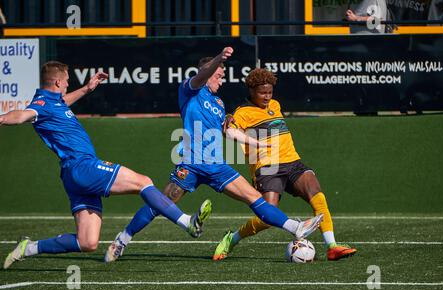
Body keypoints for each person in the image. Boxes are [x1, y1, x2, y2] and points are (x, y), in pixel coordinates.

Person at [104, 48, 324, 263]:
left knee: (255, 199)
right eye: (219, 75)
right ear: (208, 73)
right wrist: (219, 58)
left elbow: (229, 132)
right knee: (159, 204)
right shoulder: (190, 90)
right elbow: (201, 76)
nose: (222, 80)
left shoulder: (219, 104)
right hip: (191, 164)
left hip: (218, 166)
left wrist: (256, 142)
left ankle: (295, 227)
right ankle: (121, 240)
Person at [1, 61, 212, 269]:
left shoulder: (53, 102)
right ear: (57, 82)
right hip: (83, 167)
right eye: (66, 81)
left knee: (87, 242)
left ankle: (28, 248)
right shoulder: (41, 105)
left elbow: (61, 103)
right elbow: (21, 115)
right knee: (143, 182)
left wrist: (86, 89)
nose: (67, 84)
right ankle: (187, 222)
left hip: (72, 176)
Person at [212, 68, 357, 261]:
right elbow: (229, 132)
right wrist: (238, 127)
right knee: (268, 215)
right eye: (262, 93)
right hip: (268, 167)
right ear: (251, 91)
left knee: (318, 197)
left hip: (293, 161)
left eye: (270, 92)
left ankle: (331, 246)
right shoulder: (243, 112)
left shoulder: (275, 105)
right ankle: (232, 238)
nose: (267, 96)